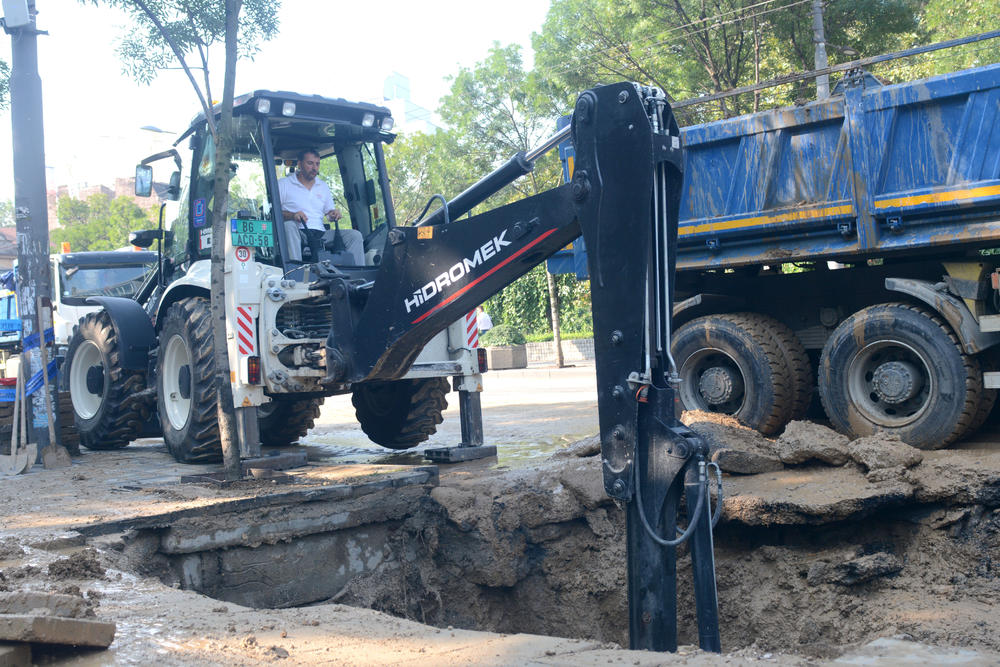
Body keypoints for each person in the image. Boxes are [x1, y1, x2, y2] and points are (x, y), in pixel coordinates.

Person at [279, 148, 365, 266]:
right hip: (299, 231)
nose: (314, 168)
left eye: (317, 164)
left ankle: (357, 273)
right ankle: (295, 270)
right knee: (288, 226)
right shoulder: (284, 184)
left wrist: (333, 214)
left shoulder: (323, 186)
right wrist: (293, 215)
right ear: (299, 164)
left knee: (355, 235)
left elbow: (329, 214)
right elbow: (274, 213)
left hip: (321, 234)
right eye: (310, 163)